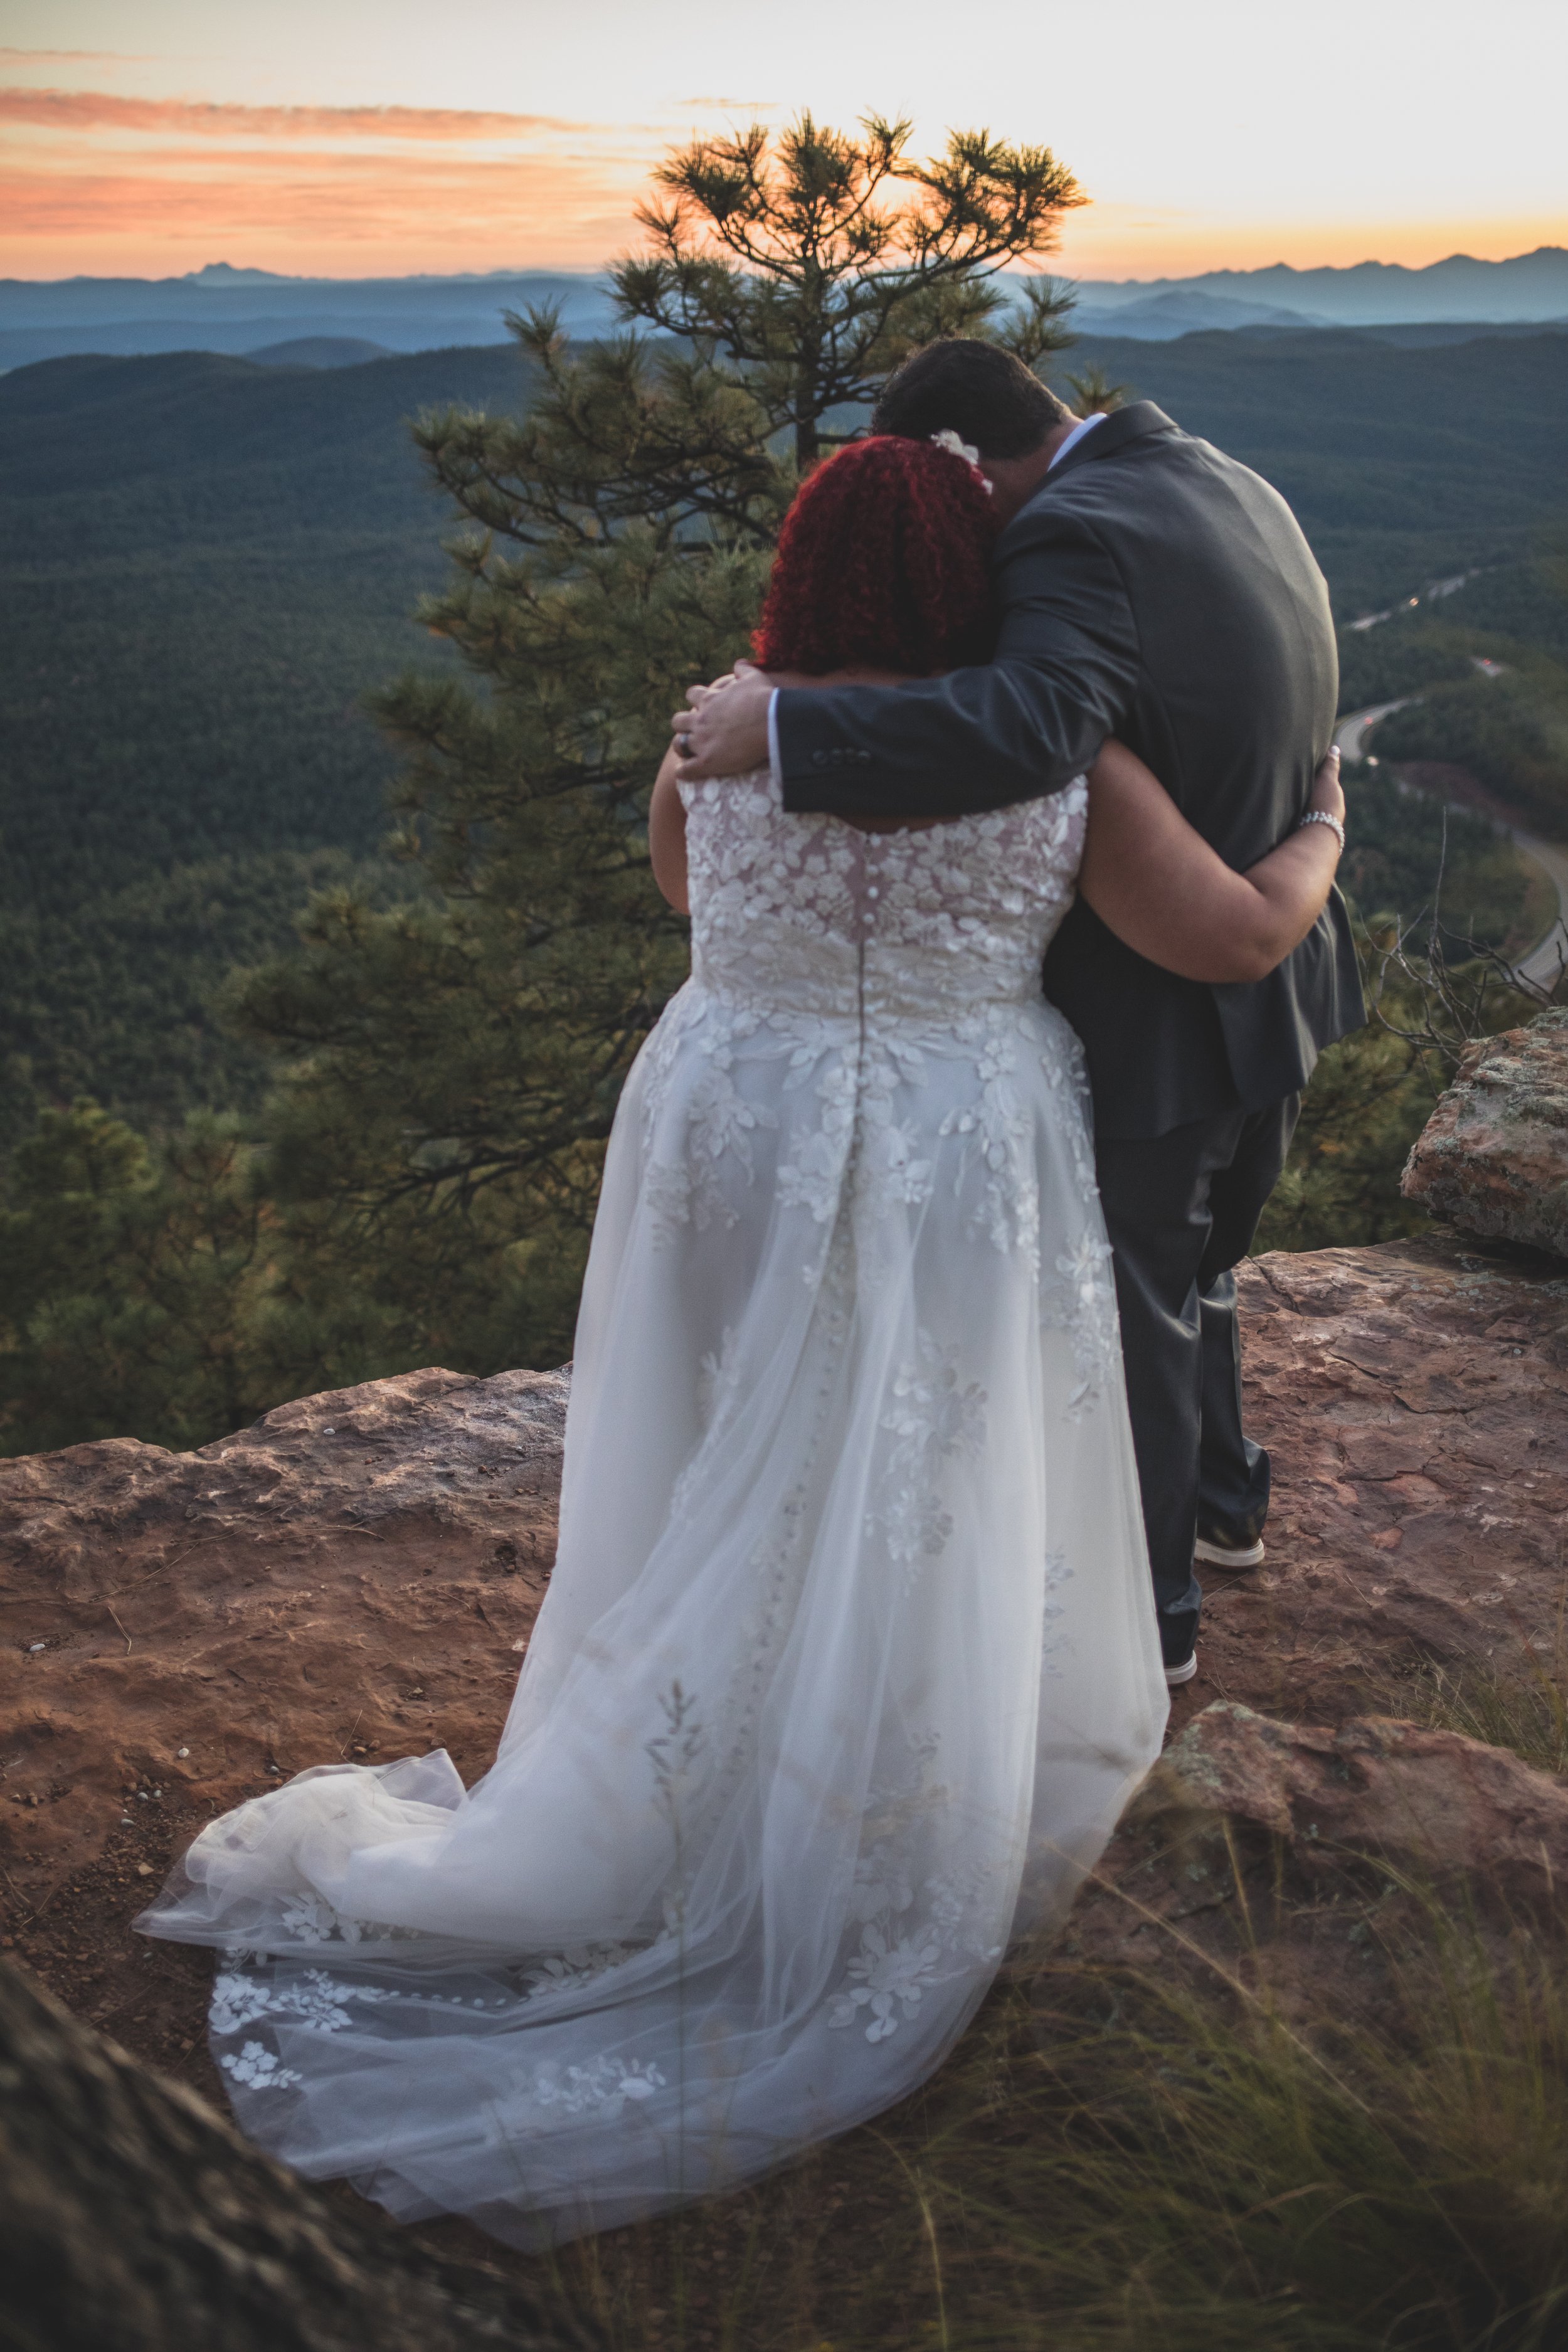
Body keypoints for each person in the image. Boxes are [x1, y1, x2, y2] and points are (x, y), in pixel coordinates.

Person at [139, 432, 1345, 2251]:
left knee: (727, 1466)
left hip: (738, 1120)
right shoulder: (1051, 756)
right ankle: (881, 1788)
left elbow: (684, 887)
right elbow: (1235, 932)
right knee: (919, 1465)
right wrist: (1321, 809)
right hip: (952, 1136)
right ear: (971, 579)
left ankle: (688, 1775)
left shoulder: (728, 722)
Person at [676, 341, 1364, 1683]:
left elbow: (1031, 724)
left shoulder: (1066, 528)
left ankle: (1154, 1620)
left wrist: (784, 733)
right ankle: (1225, 1506)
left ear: (968, 471)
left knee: (1135, 1309)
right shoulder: (1218, 477)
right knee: (1195, 1272)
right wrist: (1323, 830)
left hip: (1166, 993)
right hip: (1266, 976)